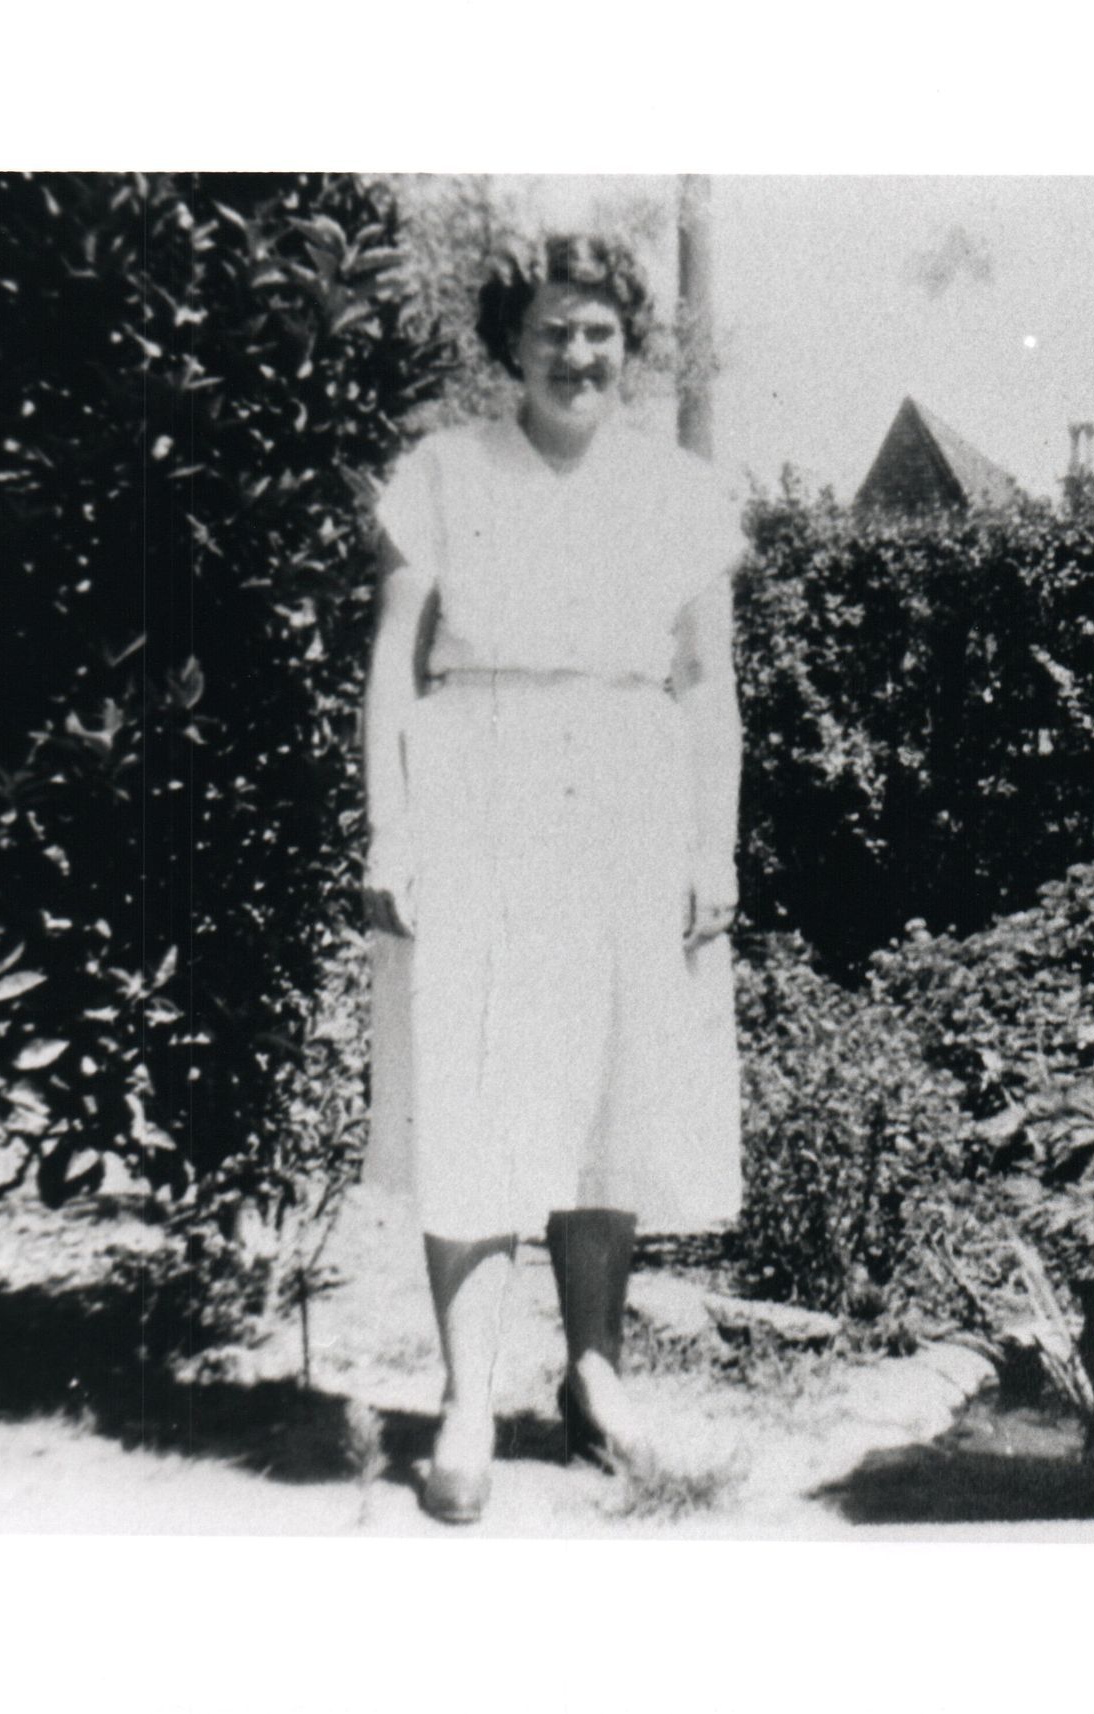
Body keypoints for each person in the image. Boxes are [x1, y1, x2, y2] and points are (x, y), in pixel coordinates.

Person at [360, 232, 746, 1525]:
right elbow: (392, 667)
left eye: (599, 331)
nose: (577, 354)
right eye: (551, 331)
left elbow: (710, 684)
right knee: (475, 1088)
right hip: (479, 782)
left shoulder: (680, 492)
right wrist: (390, 832)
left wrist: (712, 844)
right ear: (510, 346)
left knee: (609, 1084)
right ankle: (467, 1403)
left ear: (629, 343)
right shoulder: (443, 473)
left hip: (630, 789)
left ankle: (594, 1376)